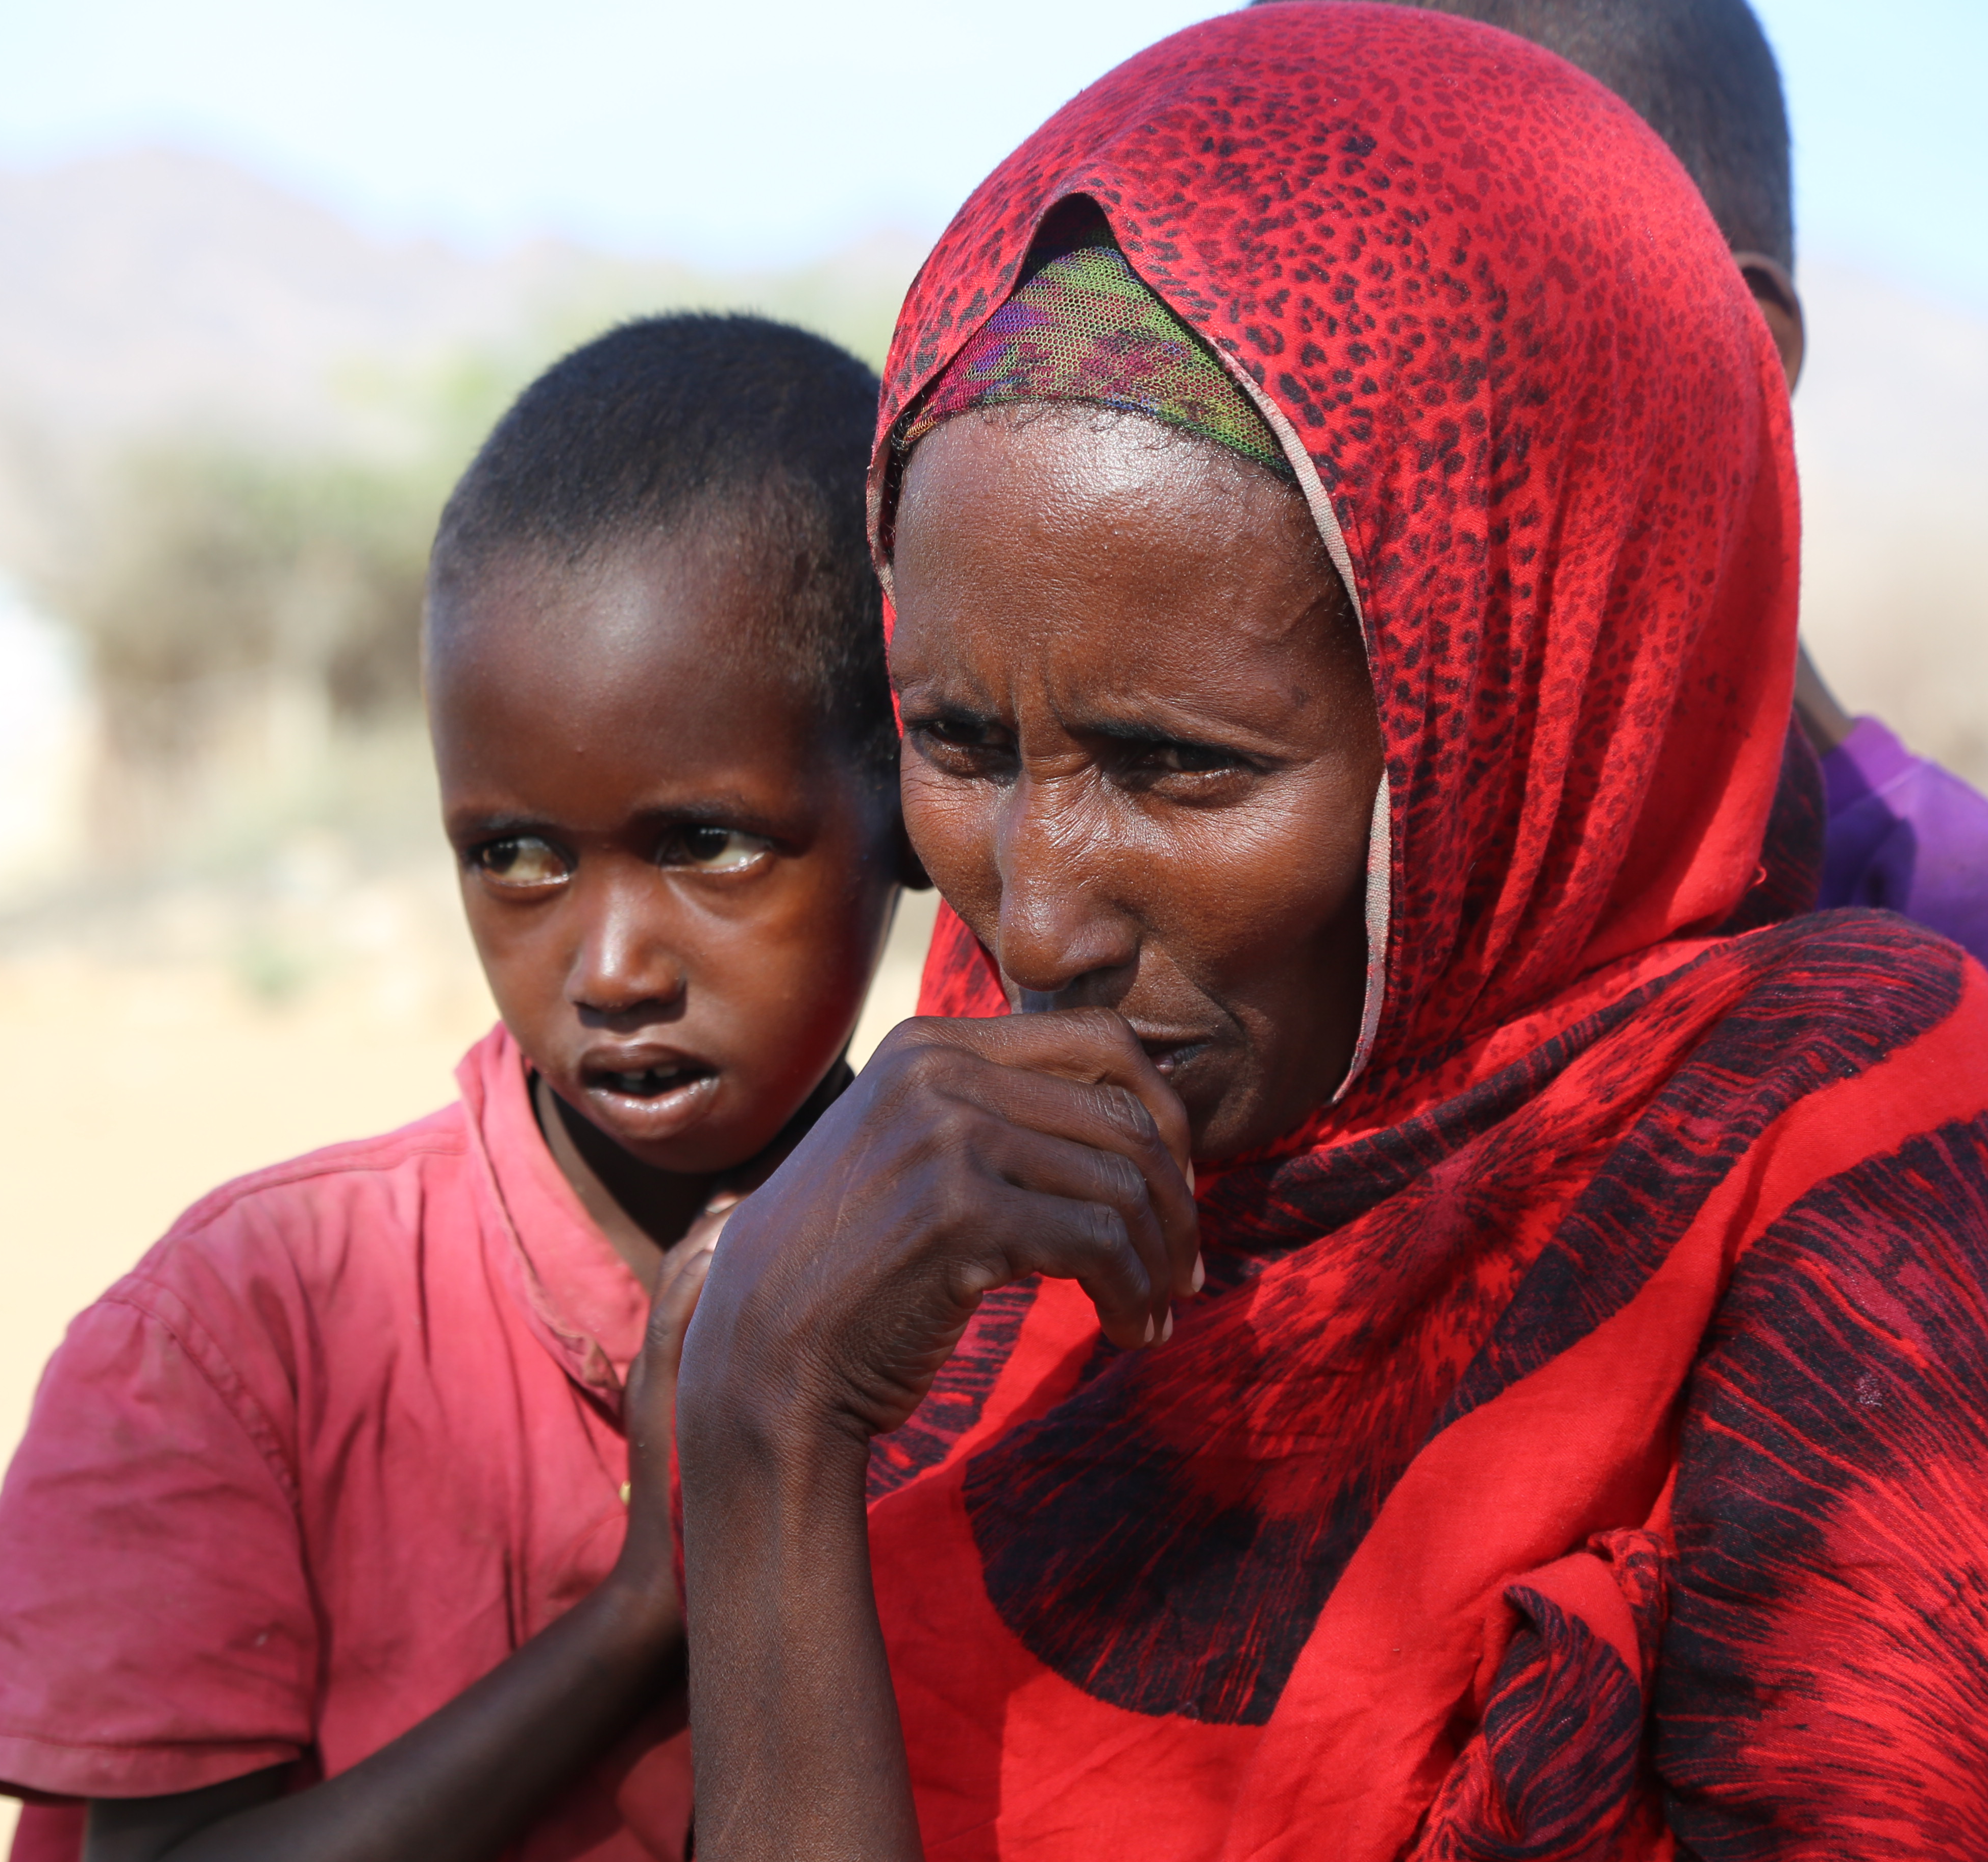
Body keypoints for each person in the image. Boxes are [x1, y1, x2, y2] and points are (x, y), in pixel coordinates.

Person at [674, 8, 1988, 1860]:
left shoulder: (1842, 1170)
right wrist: (760, 1419)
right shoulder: (947, 1199)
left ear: (1507, 719)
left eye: (1172, 766)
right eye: (960, 743)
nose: (1036, 910)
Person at [0, 312, 919, 1862]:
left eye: (705, 844)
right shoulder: (244, 1335)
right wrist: (645, 1612)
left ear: (912, 804)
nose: (608, 968)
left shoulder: (1035, 1298)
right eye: (514, 856)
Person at [1310, 0, 1988, 962]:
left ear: (1731, 356)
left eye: (1438, 306)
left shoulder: (1950, 955)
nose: (1338, 403)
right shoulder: (1312, 897)